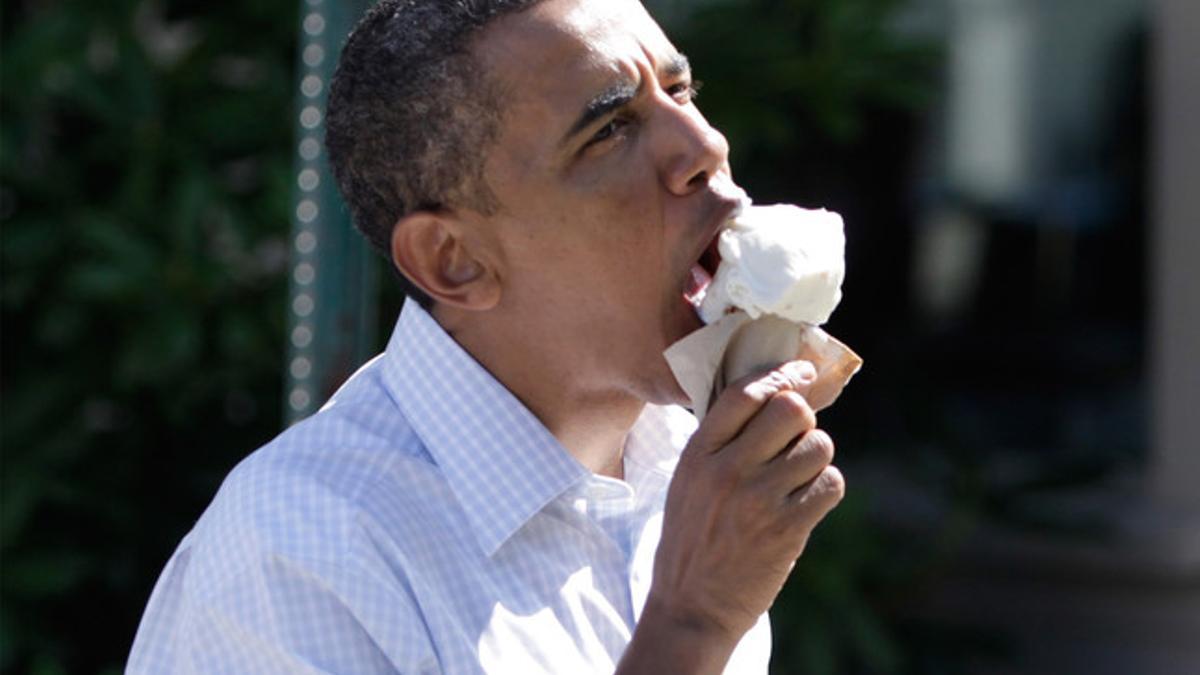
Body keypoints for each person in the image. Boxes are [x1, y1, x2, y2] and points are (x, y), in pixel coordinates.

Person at [126, 0, 845, 672]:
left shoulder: (690, 471)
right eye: (609, 130)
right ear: (454, 260)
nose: (704, 145)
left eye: (680, 92)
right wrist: (690, 624)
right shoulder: (298, 554)